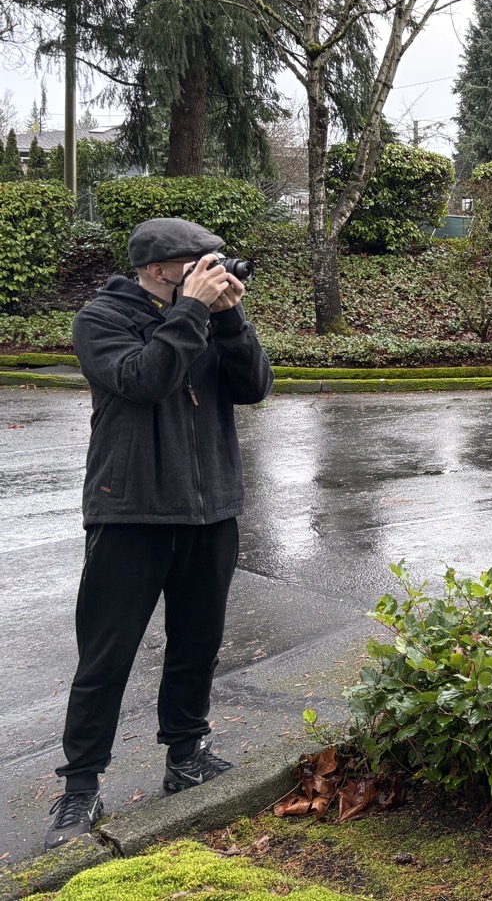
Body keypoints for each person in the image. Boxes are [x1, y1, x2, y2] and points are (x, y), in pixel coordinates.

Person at [44, 218, 274, 850]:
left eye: (215, 263)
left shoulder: (205, 317)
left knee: (197, 643)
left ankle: (186, 754)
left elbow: (253, 387)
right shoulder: (101, 320)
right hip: (132, 512)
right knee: (106, 655)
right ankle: (81, 786)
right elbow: (144, 379)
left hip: (211, 512)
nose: (211, 274)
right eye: (197, 265)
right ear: (156, 270)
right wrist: (193, 314)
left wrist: (227, 319)